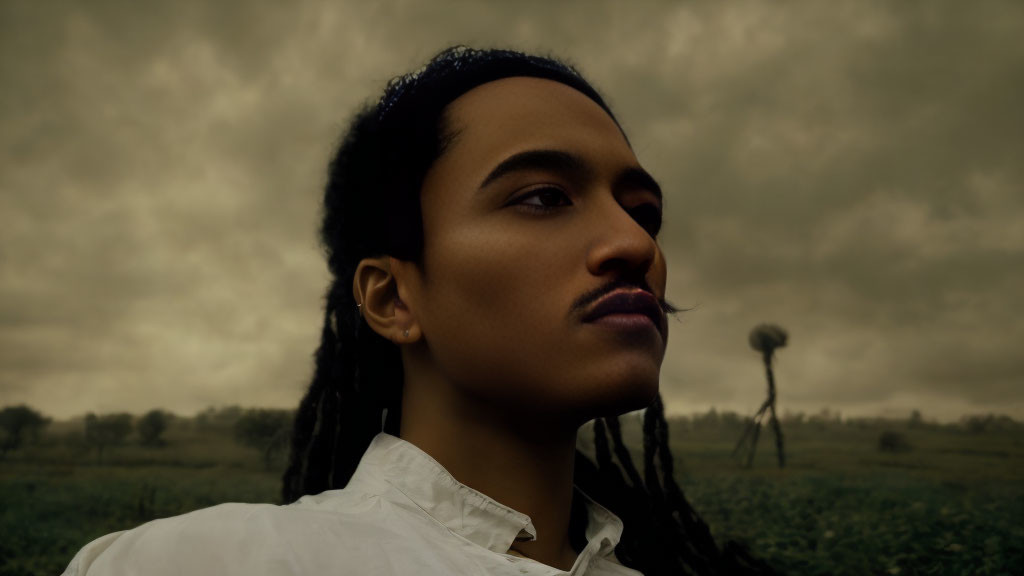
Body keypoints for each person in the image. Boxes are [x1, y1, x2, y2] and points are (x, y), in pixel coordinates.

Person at [63, 46, 774, 576]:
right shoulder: (205, 563)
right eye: (543, 197)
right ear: (392, 297)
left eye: (642, 211)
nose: (633, 243)